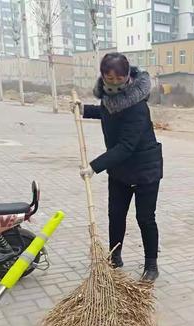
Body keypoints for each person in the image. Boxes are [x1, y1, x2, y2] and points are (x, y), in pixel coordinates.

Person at [74, 52, 163, 282]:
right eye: (108, 78)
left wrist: (94, 166)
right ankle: (115, 257)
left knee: (145, 218)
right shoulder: (110, 99)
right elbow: (106, 112)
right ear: (103, 76)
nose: (113, 83)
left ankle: (151, 265)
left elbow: (126, 146)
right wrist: (83, 109)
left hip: (145, 169)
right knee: (116, 215)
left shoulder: (137, 107)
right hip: (120, 170)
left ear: (127, 77)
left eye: (117, 79)